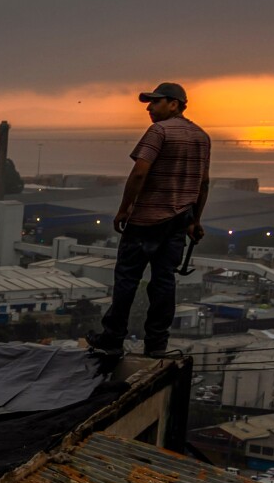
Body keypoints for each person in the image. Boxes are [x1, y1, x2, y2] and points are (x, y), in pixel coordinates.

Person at [87, 82, 210, 360]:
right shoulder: (202, 137)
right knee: (164, 282)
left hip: (145, 221)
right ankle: (156, 344)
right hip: (179, 222)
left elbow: (140, 173)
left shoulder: (159, 131)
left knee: (127, 279)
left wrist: (124, 209)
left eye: (155, 102)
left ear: (174, 104)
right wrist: (195, 220)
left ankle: (113, 339)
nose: (149, 107)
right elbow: (203, 183)